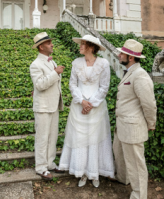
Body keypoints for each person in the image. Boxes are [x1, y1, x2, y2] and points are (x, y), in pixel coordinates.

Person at [59, 34, 115, 188]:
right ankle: (82, 172)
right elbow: (72, 85)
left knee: (96, 139)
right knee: (80, 139)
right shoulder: (76, 63)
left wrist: (91, 104)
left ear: (91, 47)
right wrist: (82, 101)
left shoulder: (103, 63)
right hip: (79, 107)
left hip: (97, 108)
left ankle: (94, 172)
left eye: (83, 44)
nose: (80, 46)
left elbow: (104, 87)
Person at [113, 39, 157, 199]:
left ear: (130, 57)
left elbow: (149, 103)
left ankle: (139, 198)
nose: (119, 55)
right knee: (121, 155)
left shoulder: (140, 76)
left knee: (136, 164)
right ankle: (123, 178)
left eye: (122, 53)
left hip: (133, 126)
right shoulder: (129, 72)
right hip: (123, 124)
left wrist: (151, 123)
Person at [30, 32, 65, 181]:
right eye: (49, 43)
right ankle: (40, 167)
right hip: (43, 107)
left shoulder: (52, 61)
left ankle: (50, 163)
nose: (52, 44)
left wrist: (54, 71)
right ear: (41, 46)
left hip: (53, 105)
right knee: (42, 138)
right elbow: (39, 85)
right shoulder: (35, 64)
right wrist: (55, 73)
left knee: (52, 136)